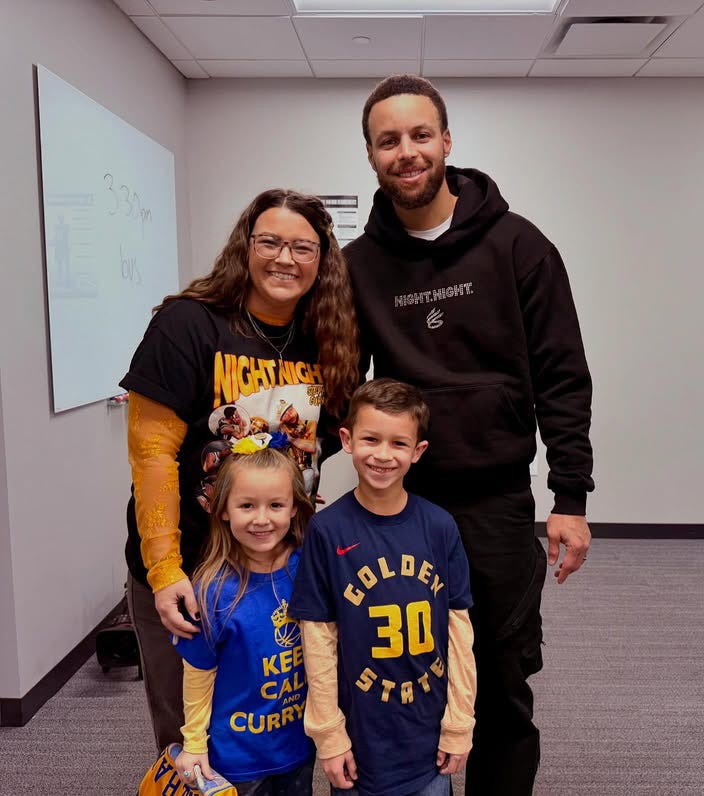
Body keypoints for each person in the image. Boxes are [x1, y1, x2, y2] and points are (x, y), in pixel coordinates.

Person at [342, 74, 594, 795]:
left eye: (420, 135)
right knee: (401, 679)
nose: (407, 151)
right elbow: (337, 383)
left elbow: (562, 378)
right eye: (388, 140)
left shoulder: (520, 246)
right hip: (398, 506)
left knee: (500, 687)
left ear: (447, 142)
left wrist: (569, 496)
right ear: (371, 156)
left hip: (496, 506)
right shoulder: (357, 269)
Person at [121, 188, 359, 751]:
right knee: (191, 733)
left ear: (322, 260)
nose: (285, 258)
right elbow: (151, 455)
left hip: (279, 572)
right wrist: (163, 571)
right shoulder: (188, 324)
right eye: (270, 242)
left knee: (273, 726)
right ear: (244, 248)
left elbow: (318, 450)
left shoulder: (329, 338)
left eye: (303, 247)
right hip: (192, 568)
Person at [289, 379, 476, 796]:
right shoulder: (327, 530)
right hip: (361, 745)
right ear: (347, 440)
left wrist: (460, 722)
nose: (383, 455)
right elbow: (317, 639)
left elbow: (459, 632)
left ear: (417, 451)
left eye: (398, 443)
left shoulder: (440, 527)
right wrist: (329, 734)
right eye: (371, 439)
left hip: (428, 744)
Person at [172, 443, 315, 794]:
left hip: (299, 748)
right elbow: (198, 676)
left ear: (294, 507)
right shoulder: (212, 591)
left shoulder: (308, 569)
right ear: (223, 510)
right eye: (247, 505)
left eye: (276, 505)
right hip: (237, 760)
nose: (262, 519)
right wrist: (194, 743)